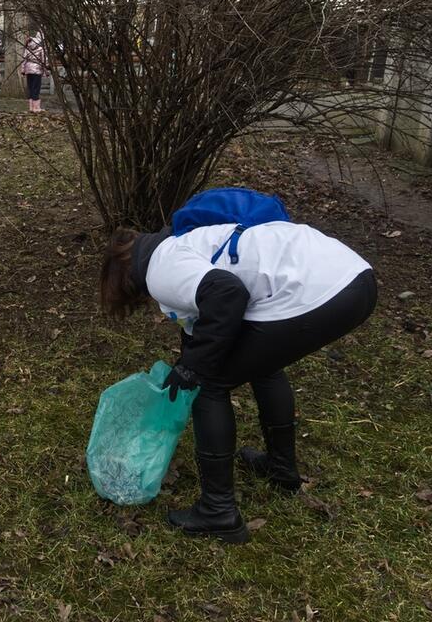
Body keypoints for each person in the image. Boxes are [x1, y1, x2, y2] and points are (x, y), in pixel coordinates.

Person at [99, 212, 377, 543]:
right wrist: (189, 360)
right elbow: (207, 324)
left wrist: (193, 369)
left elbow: (227, 294)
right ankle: (281, 470)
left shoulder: (161, 270)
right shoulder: (183, 244)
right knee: (262, 365)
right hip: (353, 277)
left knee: (209, 383)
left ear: (125, 278)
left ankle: (218, 511)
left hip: (319, 288)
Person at [21, 28, 48, 112]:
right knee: (36, 88)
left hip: (28, 69)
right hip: (37, 70)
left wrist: (23, 70)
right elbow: (44, 60)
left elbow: (24, 59)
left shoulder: (27, 46)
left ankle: (31, 107)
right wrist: (46, 71)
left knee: (30, 87)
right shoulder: (41, 48)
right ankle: (36, 107)